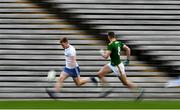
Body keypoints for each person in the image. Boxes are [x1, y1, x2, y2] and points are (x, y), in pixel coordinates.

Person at [97, 32, 144, 99]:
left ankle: (139, 90)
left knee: (125, 83)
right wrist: (128, 60)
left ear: (109, 37)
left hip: (117, 66)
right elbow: (128, 49)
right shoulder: (119, 43)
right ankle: (107, 89)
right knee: (99, 74)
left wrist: (101, 52)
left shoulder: (111, 45)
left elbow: (105, 56)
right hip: (112, 64)